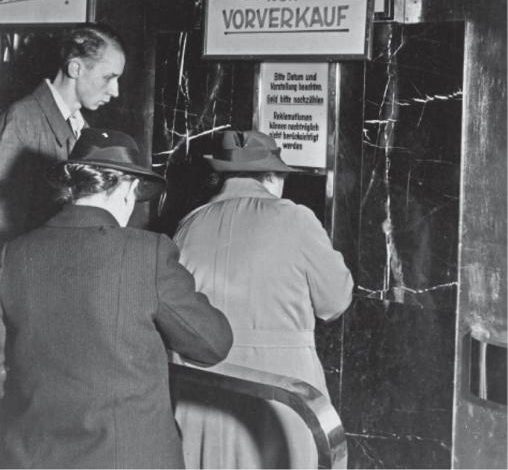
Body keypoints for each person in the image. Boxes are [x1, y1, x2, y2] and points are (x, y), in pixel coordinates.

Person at [0, 128, 233, 470]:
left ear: (71, 188)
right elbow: (213, 344)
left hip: (30, 458)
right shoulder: (146, 254)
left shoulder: (12, 256)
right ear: (125, 188)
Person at [172, 128, 354, 469]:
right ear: (271, 176)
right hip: (282, 400)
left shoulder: (189, 225)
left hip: (204, 397)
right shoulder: (295, 218)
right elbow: (336, 301)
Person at [0, 23, 126, 240]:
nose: (115, 91)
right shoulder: (23, 119)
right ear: (75, 68)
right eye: (108, 78)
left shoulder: (81, 127)